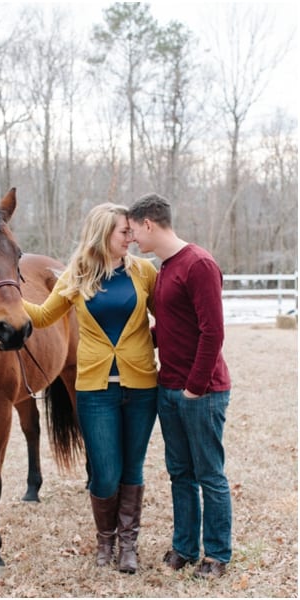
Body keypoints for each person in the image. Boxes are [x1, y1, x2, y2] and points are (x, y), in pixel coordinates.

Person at [22, 203, 158, 573]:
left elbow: (170, 314)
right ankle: (105, 542)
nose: (132, 238)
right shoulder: (76, 275)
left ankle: (128, 546)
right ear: (103, 235)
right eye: (124, 232)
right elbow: (44, 314)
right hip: (96, 391)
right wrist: (3, 297)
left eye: (132, 231)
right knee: (105, 470)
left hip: (142, 386)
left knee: (133, 468)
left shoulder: (145, 272)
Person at [128, 193, 232, 579]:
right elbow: (172, 326)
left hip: (200, 393)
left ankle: (217, 555)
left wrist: (194, 388)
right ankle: (185, 548)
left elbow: (213, 332)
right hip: (167, 388)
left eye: (135, 229)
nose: (133, 237)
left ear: (149, 224)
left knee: (209, 474)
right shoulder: (166, 268)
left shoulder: (199, 264)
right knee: (180, 473)